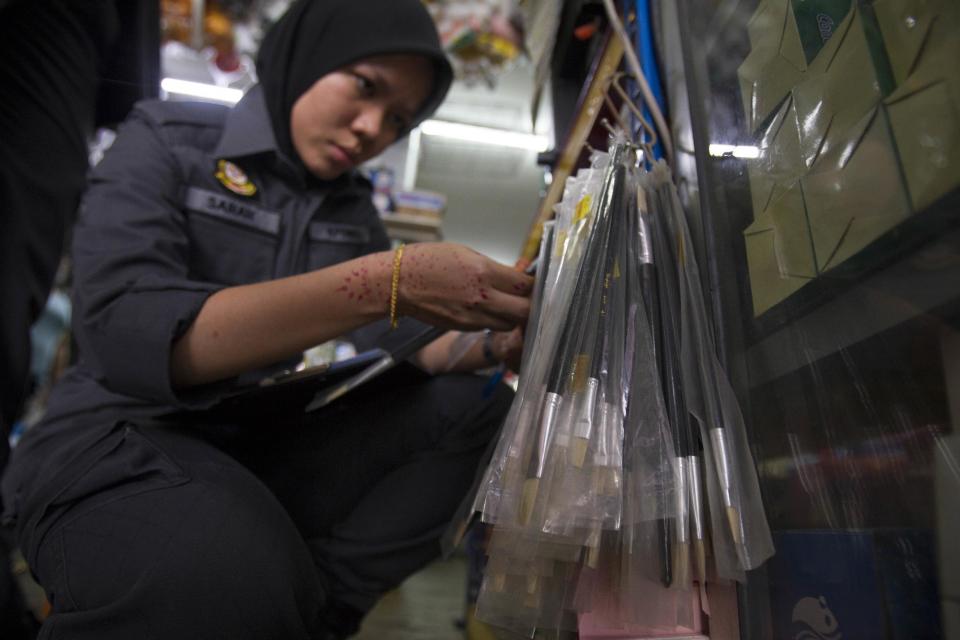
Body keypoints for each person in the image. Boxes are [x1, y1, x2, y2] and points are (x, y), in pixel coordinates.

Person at [0, 1, 533, 638]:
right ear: (308, 57)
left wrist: (490, 342)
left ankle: (323, 610)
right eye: (365, 87)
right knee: (219, 573)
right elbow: (132, 337)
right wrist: (381, 282)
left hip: (255, 434)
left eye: (399, 119)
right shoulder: (168, 140)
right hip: (118, 433)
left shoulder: (350, 208)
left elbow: (408, 344)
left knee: (476, 407)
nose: (372, 129)